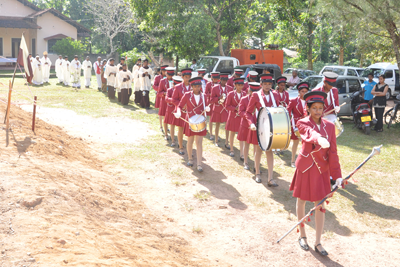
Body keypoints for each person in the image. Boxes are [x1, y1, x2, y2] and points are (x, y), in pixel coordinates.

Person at [289, 91, 343, 257]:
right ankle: (302, 234)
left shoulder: (330, 126)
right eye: (314, 108)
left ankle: (318, 241)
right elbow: (307, 133)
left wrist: (337, 175)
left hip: (321, 170)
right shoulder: (302, 122)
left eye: (320, 108)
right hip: (305, 168)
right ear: (308, 108)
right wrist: (318, 138)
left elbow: (333, 152)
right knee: (302, 201)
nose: (318, 111)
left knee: (320, 206)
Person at [246, 74, 278, 185]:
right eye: (265, 84)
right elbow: (248, 112)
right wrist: (251, 123)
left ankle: (270, 178)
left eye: (269, 84)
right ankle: (258, 173)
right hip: (259, 126)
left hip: (271, 128)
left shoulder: (275, 95)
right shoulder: (256, 95)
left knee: (269, 151)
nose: (267, 86)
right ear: (261, 84)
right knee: (259, 150)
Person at [174, 77, 211, 172]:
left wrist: (207, 108)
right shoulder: (187, 95)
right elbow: (180, 106)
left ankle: (199, 164)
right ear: (192, 86)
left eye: (199, 86)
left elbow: (206, 106)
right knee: (190, 141)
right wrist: (178, 112)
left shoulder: (204, 96)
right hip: (190, 120)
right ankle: (190, 159)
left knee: (199, 142)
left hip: (200, 120)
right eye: (195, 86)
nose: (197, 88)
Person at [287, 81, 309, 168]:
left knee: (306, 143)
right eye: (302, 91)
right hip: (295, 124)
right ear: (299, 92)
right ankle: (293, 160)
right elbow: (288, 112)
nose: (304, 93)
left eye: (306, 91)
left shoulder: (309, 101)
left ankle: (304, 161)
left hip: (306, 125)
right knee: (295, 143)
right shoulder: (293, 101)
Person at [171, 68, 192, 154]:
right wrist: (182, 104)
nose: (188, 79)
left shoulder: (194, 87)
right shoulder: (178, 87)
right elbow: (173, 99)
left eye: (189, 77)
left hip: (191, 112)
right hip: (181, 111)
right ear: (182, 77)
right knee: (181, 129)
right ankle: (180, 146)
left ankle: (189, 147)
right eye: (186, 77)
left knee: (191, 130)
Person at [237, 79, 256, 170]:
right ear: (249, 91)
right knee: (246, 144)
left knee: (256, 145)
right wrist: (249, 117)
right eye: (252, 91)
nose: (254, 93)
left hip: (256, 124)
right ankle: (245, 162)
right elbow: (240, 111)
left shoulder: (260, 99)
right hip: (245, 124)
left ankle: (256, 164)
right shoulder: (244, 99)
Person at [210, 73, 233, 148]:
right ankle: (216, 141)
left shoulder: (230, 88)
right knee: (217, 125)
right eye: (223, 80)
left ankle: (227, 142)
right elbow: (212, 99)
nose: (224, 82)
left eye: (226, 80)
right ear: (220, 80)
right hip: (217, 108)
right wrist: (219, 98)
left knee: (228, 126)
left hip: (226, 109)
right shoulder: (215, 88)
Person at [225, 77, 246, 157]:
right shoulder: (230, 94)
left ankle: (242, 152)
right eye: (239, 85)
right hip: (233, 116)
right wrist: (235, 108)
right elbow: (227, 106)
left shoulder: (244, 93)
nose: (240, 87)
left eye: (242, 85)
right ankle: (231, 149)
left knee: (242, 134)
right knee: (232, 133)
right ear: (235, 85)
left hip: (241, 116)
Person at [165, 75, 183, 147]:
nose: (176, 86)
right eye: (175, 84)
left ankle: (179, 142)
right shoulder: (169, 90)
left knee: (180, 127)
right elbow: (166, 99)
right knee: (172, 126)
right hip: (171, 110)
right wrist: (173, 100)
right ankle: (173, 141)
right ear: (173, 84)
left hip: (178, 110)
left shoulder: (181, 90)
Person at [158, 67, 175, 139]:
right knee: (165, 117)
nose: (170, 77)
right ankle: (165, 133)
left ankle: (171, 132)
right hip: (164, 101)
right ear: (166, 74)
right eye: (169, 75)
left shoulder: (175, 81)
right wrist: (164, 93)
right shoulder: (162, 81)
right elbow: (159, 92)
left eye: (172, 75)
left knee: (171, 117)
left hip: (172, 102)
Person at [205, 72, 220, 140]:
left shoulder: (219, 84)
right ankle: (211, 134)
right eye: (214, 78)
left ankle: (217, 134)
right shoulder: (208, 84)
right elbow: (205, 93)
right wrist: (211, 94)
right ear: (212, 78)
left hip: (217, 103)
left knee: (217, 120)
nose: (215, 80)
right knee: (211, 119)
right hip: (211, 102)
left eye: (217, 78)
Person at [154, 65, 169, 132]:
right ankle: (161, 126)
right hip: (160, 96)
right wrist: (160, 90)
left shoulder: (169, 78)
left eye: (165, 71)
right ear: (161, 71)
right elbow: (154, 86)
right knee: (160, 112)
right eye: (163, 71)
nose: (164, 72)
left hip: (167, 97)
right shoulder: (157, 77)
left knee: (167, 112)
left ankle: (166, 126)